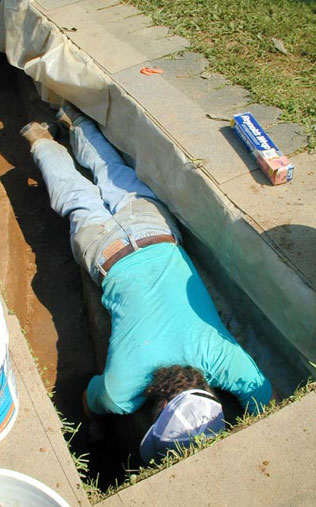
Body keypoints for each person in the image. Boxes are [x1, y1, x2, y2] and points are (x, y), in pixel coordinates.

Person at [20, 103, 273, 463]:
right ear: (158, 410)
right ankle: (41, 142)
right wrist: (96, 427)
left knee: (111, 173)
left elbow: (261, 395)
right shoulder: (122, 391)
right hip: (104, 251)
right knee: (75, 197)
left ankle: (76, 121)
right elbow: (91, 401)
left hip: (152, 231)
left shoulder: (221, 358)